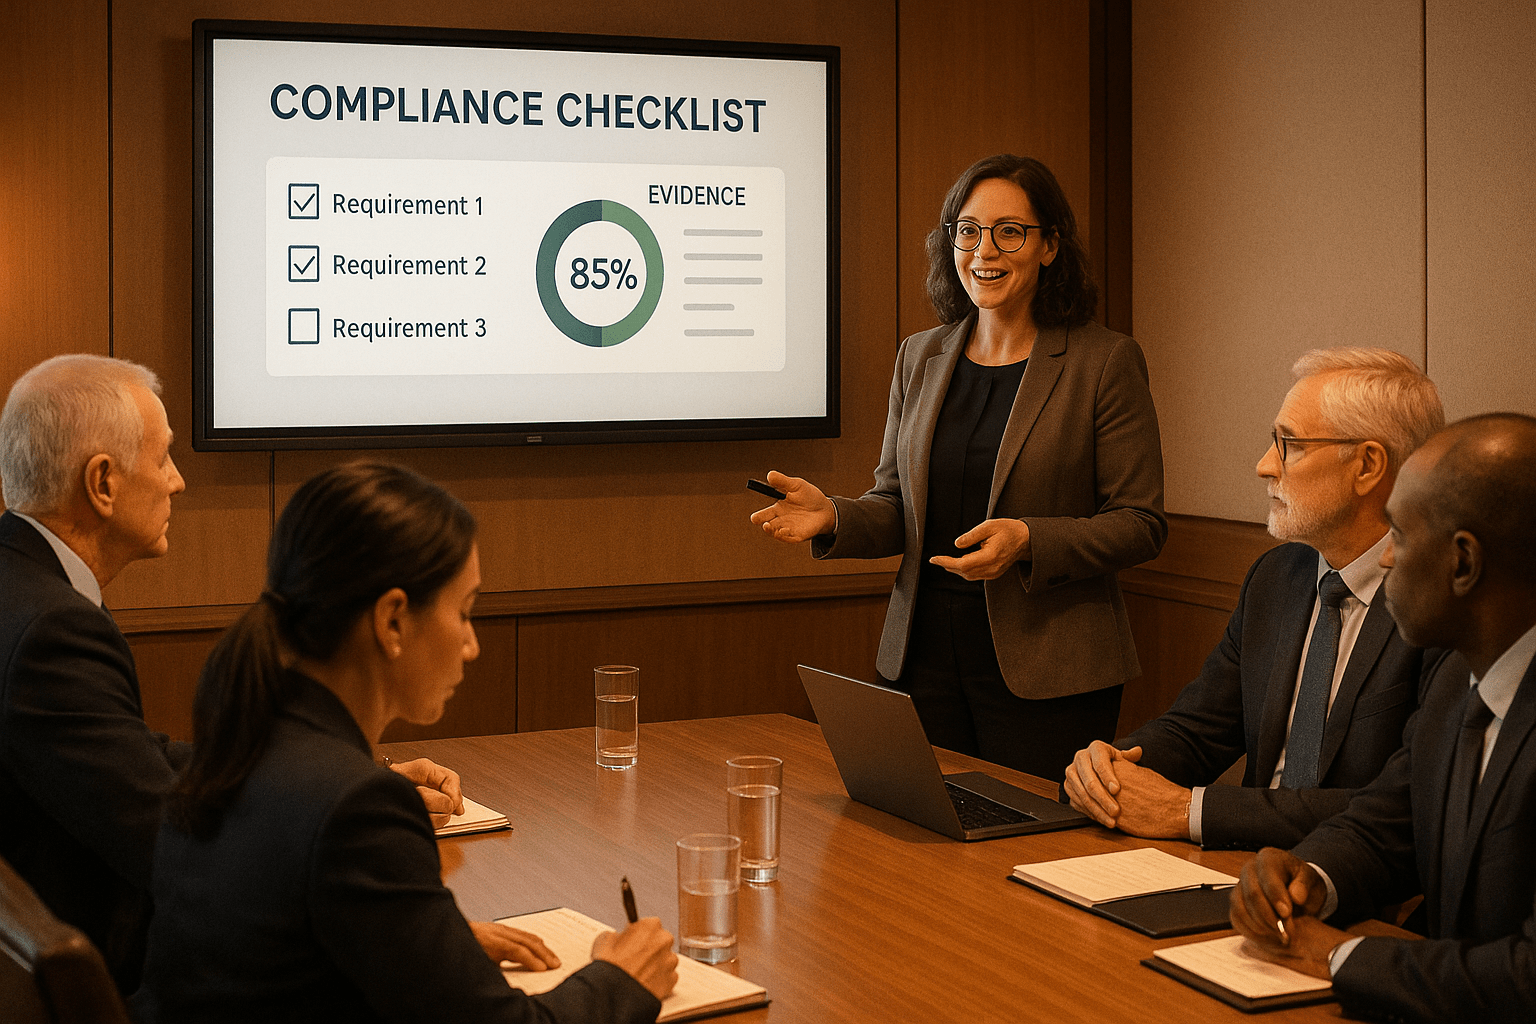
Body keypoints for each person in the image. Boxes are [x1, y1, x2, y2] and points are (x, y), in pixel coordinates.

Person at [134, 462, 677, 1023]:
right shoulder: (355, 806)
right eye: (464, 613)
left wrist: (428, 947)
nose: (471, 646)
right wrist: (621, 981)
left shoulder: (241, 742)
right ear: (393, 620)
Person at [0, 354, 459, 992]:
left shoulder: (24, 586)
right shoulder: (52, 629)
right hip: (140, 974)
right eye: (163, 459)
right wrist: (382, 918)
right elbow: (160, 836)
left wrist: (331, 787)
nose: (178, 481)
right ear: (102, 483)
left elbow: (141, 760)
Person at [750, 155, 1166, 778]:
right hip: (922, 658)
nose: (983, 251)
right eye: (967, 231)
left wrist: (1029, 539)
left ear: (1050, 245)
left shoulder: (1103, 361)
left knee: (1025, 854)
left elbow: (1141, 522)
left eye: (1009, 231)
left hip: (1049, 667)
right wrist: (834, 517)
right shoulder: (921, 355)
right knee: (920, 853)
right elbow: (896, 508)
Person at [1064, 348, 1444, 849]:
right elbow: (1199, 730)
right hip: (1240, 869)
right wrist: (1108, 768)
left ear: (1368, 465)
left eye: (1290, 444)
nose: (1265, 466)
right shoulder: (1277, 577)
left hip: (1361, 889)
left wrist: (1187, 811)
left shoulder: (1442, 606)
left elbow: (1405, 806)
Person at [1230, 413, 1536, 1024]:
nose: (1387, 558)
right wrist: (1308, 879)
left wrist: (1341, 957)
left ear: (1462, 564)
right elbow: (1388, 822)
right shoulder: (1457, 679)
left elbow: (1528, 978)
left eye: (1400, 532)